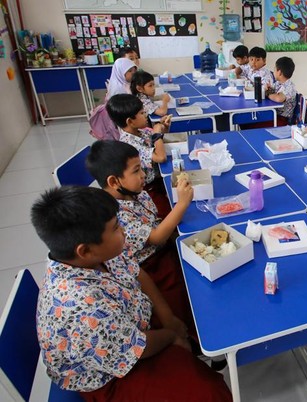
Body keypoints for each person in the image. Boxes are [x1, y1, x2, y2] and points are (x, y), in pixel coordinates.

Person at [31, 186, 232, 401]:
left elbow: (136, 272)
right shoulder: (82, 308)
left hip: (128, 327)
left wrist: (168, 317)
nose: (124, 231)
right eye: (117, 227)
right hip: (111, 376)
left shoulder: (89, 254)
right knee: (208, 392)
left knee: (197, 303)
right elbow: (137, 349)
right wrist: (171, 336)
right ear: (85, 250)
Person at [86, 140, 196, 338]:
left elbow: (155, 222)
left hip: (163, 250)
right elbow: (156, 237)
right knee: (187, 294)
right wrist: (182, 204)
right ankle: (192, 336)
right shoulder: (116, 213)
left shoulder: (137, 193)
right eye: (136, 171)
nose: (144, 175)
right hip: (149, 265)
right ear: (114, 182)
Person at [106, 93, 172, 218]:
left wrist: (163, 127)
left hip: (158, 179)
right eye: (142, 113)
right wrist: (157, 135)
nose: (146, 115)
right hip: (147, 188)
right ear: (130, 121)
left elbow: (157, 140)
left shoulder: (141, 131)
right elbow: (160, 157)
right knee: (171, 213)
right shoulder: (129, 144)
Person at [267, 56, 297, 126]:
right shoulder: (278, 83)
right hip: (274, 114)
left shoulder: (290, 86)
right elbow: (271, 89)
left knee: (251, 124)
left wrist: (268, 94)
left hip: (282, 119)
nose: (273, 72)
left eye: (274, 69)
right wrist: (268, 88)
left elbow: (279, 98)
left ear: (279, 72)